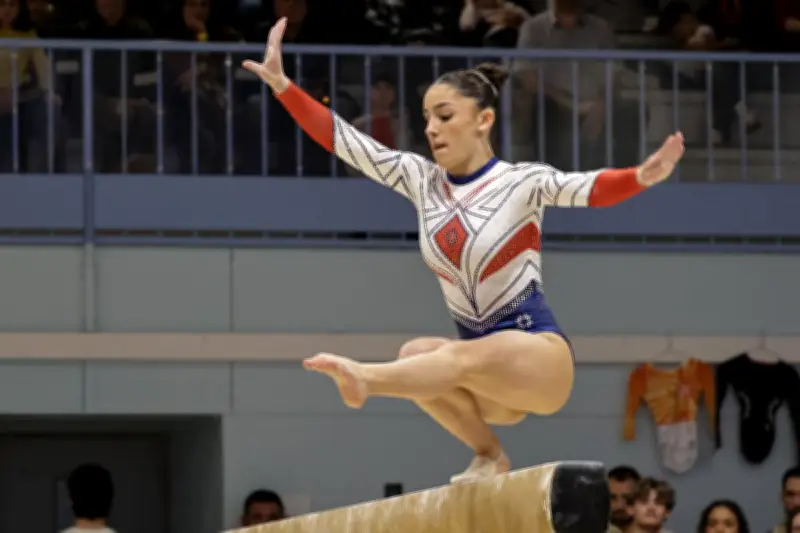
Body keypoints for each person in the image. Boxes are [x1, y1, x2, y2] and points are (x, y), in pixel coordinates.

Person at [242, 17, 684, 484]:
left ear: (483, 120)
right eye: (427, 117)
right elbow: (346, 142)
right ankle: (489, 454)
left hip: (538, 360)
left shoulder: (521, 182)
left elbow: (589, 189)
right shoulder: (422, 182)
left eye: (445, 116)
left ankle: (368, 380)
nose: (431, 128)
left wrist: (641, 177)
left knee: (442, 360)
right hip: (489, 384)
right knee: (418, 350)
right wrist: (284, 87)